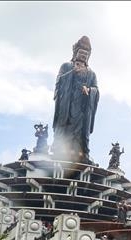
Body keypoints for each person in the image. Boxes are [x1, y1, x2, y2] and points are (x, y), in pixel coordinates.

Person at [52, 36, 99, 164]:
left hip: (82, 109)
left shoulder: (91, 74)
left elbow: (96, 89)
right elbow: (59, 82)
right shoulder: (66, 66)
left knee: (79, 132)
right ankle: (60, 150)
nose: (83, 56)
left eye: (86, 54)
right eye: (81, 52)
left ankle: (81, 152)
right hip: (66, 106)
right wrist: (72, 72)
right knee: (64, 128)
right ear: (75, 52)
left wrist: (89, 91)